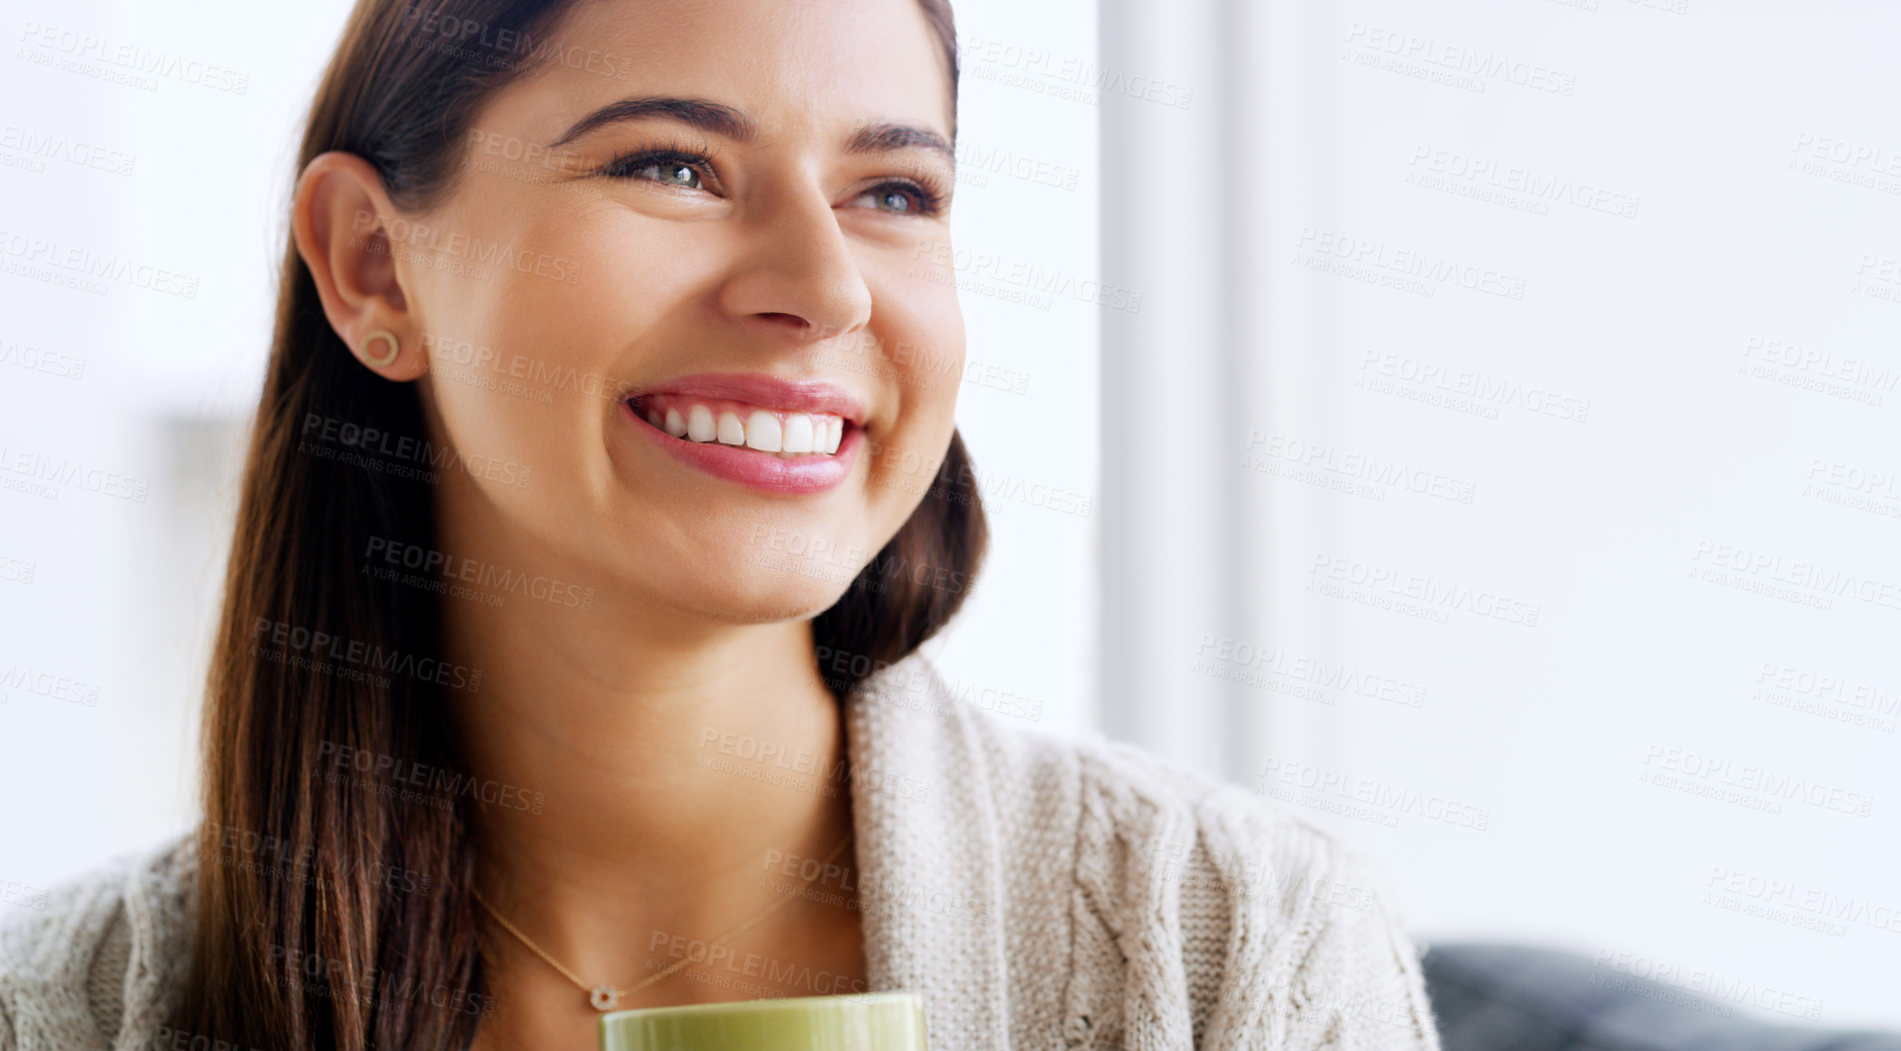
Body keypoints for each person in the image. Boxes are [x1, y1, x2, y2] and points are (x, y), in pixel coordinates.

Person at [0, 1, 1439, 1048]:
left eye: (891, 192)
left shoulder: (1235, 941)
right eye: (670, 166)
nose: (823, 287)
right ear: (375, 267)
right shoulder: (63, 1006)